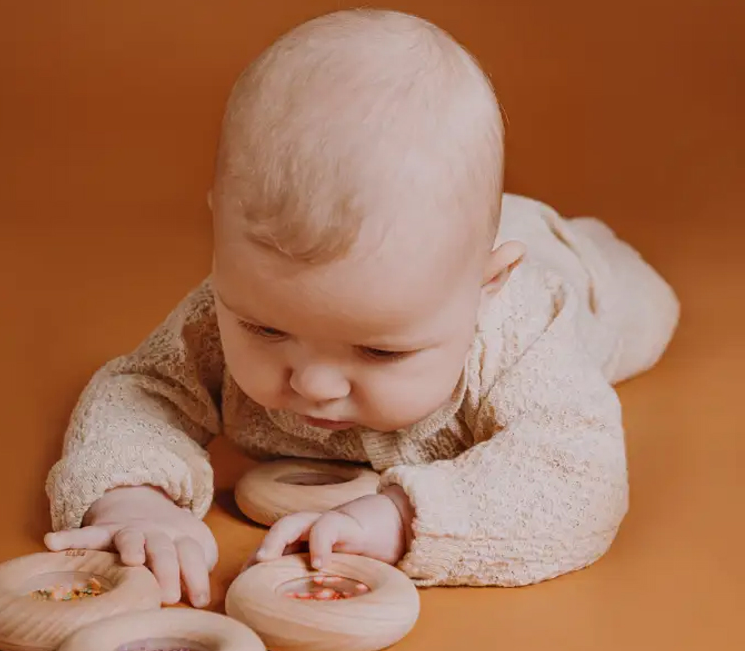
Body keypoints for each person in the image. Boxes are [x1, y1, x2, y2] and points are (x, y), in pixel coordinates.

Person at [43, 9, 680, 608]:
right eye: (266, 329)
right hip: (427, 258)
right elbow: (141, 390)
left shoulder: (524, 332)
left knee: (649, 313)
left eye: (381, 349)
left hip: (562, 268)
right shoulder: (230, 300)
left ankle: (582, 244)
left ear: (485, 290)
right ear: (221, 238)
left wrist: (406, 517)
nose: (313, 384)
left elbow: (576, 479)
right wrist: (133, 496)